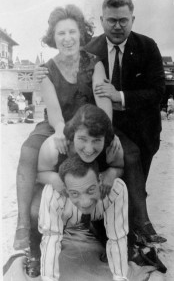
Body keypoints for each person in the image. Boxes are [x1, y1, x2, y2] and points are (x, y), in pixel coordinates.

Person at [35, 0, 166, 245]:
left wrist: (121, 95)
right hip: (100, 124)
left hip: (140, 125)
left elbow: (158, 90)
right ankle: (114, 227)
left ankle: (138, 223)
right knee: (105, 168)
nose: (117, 26)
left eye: (123, 21)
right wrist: (41, 71)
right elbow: (67, 67)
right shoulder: (90, 49)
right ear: (102, 20)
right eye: (112, 20)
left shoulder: (147, 46)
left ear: (133, 19)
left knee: (134, 170)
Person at [13, 4, 116, 252]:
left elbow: (103, 105)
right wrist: (60, 130)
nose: (67, 39)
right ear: (53, 37)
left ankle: (129, 225)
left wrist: (105, 132)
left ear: (81, 34)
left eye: (72, 32)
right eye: (61, 33)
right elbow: (54, 112)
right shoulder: (46, 69)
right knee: (28, 150)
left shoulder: (95, 63)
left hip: (88, 124)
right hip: (56, 124)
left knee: (119, 153)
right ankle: (23, 224)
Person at [26, 104, 124, 277]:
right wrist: (53, 178)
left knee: (114, 202)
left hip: (93, 195)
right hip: (61, 194)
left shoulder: (111, 146)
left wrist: (112, 172)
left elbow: (119, 166)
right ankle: (35, 253)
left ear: (105, 138)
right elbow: (39, 173)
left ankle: (100, 233)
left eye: (96, 140)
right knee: (35, 210)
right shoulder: (55, 146)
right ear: (71, 135)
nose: (88, 149)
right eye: (83, 139)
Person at [39, 154, 128, 281]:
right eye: (74, 193)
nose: (85, 202)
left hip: (98, 219)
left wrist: (120, 277)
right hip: (63, 220)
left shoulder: (116, 189)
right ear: (64, 188)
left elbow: (118, 236)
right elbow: (50, 238)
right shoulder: (53, 193)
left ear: (100, 180)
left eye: (91, 190)